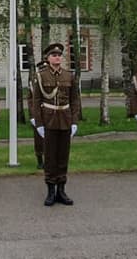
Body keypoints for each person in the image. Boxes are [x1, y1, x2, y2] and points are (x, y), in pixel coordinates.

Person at [29, 42, 81, 207]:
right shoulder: (41, 76)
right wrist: (39, 124)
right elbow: (36, 101)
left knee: (63, 156)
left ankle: (62, 190)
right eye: (54, 55)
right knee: (50, 157)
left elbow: (75, 100)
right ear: (48, 58)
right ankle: (51, 191)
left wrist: (74, 121)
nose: (57, 57)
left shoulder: (69, 76)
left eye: (59, 55)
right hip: (49, 120)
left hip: (65, 119)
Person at [26, 57, 47, 169]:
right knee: (38, 139)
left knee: (51, 139)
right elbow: (30, 100)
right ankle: (40, 160)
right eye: (41, 69)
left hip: (50, 114)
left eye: (45, 68)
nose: (43, 71)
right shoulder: (33, 82)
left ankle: (50, 160)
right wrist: (32, 116)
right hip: (38, 114)